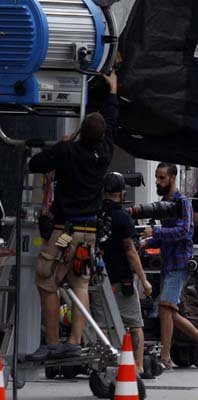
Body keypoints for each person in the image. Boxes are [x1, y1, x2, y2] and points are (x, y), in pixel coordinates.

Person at [27, 71, 119, 361]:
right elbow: (112, 121)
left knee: (46, 279)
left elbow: (36, 164)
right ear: (101, 136)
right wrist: (113, 91)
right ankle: (75, 340)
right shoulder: (104, 153)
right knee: (81, 283)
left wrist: (63, 143)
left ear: (80, 131)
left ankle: (53, 341)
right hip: (89, 232)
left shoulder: (67, 151)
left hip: (65, 230)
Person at [140, 163, 198, 370]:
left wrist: (155, 233)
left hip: (179, 262)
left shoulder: (182, 202)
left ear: (173, 178)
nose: (158, 182)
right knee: (167, 309)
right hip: (169, 262)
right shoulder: (165, 202)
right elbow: (167, 237)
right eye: (157, 178)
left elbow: (184, 231)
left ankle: (168, 357)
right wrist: (147, 242)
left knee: (166, 306)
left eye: (162, 178)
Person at [97, 172, 153, 375]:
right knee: (135, 324)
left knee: (102, 326)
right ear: (122, 193)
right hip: (121, 281)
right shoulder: (123, 217)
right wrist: (144, 280)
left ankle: (103, 368)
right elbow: (130, 250)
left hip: (97, 279)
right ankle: (136, 368)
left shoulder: (94, 214)